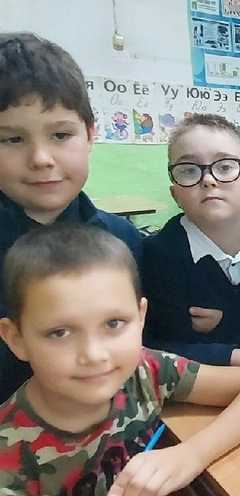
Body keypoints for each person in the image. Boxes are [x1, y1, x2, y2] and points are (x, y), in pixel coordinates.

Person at [0, 224, 240, 496]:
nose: (94, 354)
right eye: (59, 332)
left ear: (140, 317)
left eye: (114, 323)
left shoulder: (145, 371)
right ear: (16, 339)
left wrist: (190, 455)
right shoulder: (9, 459)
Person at [0, 32, 142, 402]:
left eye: (61, 135)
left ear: (90, 135)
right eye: (12, 139)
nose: (41, 158)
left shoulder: (123, 239)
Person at [142, 114, 240, 367]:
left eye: (225, 167)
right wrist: (239, 356)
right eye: (189, 170)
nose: (208, 179)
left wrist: (228, 320)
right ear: (176, 195)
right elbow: (152, 347)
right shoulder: (156, 256)